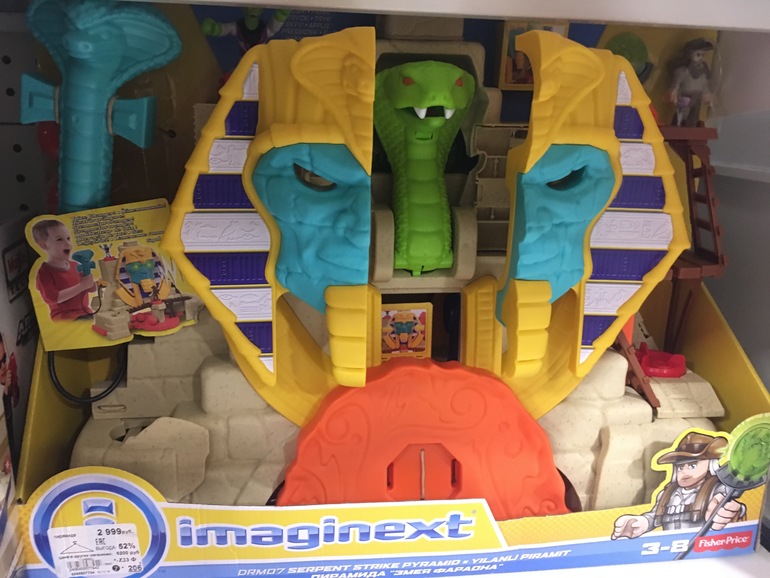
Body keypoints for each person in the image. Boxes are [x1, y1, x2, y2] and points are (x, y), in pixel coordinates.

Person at [612, 432, 745, 539]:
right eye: (680, 467)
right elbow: (655, 516)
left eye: (692, 465)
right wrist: (641, 523)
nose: (685, 471)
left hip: (703, 548)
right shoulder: (667, 494)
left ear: (711, 464)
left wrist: (733, 513)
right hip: (668, 550)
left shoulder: (717, 489)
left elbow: (730, 504)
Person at [31, 219, 96, 321]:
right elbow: (53, 298)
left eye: (68, 238)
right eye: (59, 239)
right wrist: (82, 285)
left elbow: (91, 289)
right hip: (65, 317)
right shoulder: (44, 272)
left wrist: (94, 283)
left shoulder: (75, 265)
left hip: (86, 312)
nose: (68, 244)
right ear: (44, 245)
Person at [667, 38, 714, 127]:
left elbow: (704, 85)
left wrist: (707, 94)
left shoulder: (703, 71)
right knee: (680, 113)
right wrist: (673, 92)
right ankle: (676, 127)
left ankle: (691, 129)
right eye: (698, 55)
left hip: (697, 97)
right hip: (685, 96)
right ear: (689, 54)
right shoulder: (683, 70)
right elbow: (676, 83)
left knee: (694, 115)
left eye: (703, 55)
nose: (701, 58)